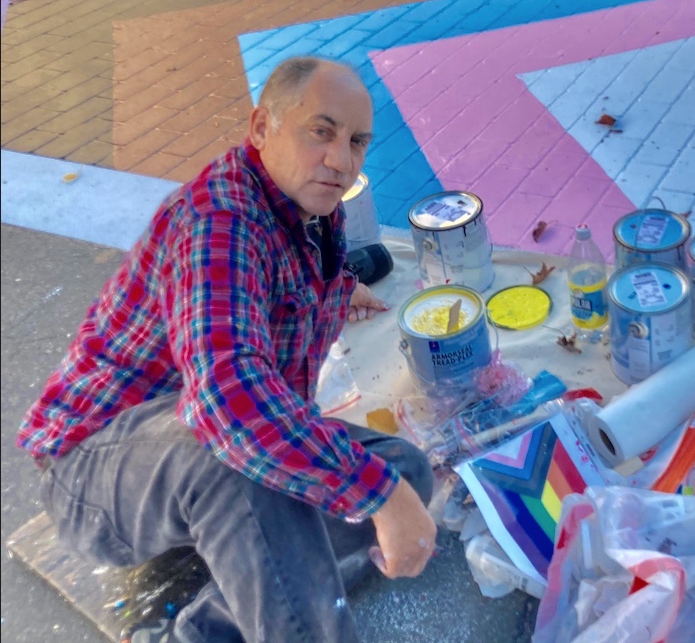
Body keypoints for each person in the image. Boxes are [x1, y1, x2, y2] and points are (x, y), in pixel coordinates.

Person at [17, 56, 437, 643]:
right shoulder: (218, 221)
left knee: (409, 471)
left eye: (357, 141)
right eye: (321, 131)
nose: (341, 161)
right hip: (94, 471)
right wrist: (379, 495)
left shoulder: (308, 212)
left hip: (184, 459)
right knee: (243, 452)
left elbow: (267, 308)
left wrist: (337, 288)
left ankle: (205, 628)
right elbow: (227, 401)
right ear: (262, 128)